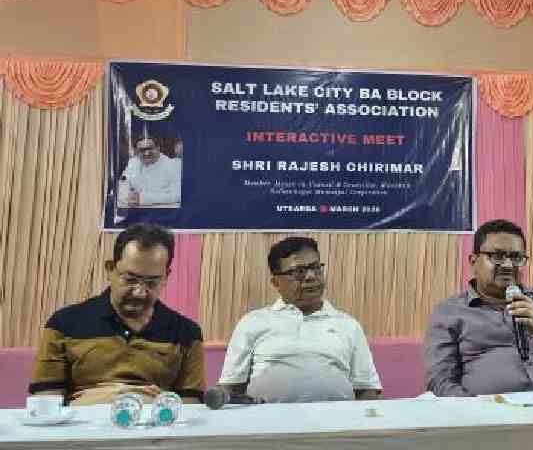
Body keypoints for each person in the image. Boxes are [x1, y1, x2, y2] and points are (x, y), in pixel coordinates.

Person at [29, 223, 205, 405]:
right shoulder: (64, 325)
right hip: (84, 430)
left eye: (152, 282)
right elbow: (45, 401)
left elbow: (190, 407)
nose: (139, 292)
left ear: (166, 277)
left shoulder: (186, 333)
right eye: (130, 279)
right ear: (110, 269)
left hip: (154, 430)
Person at [424, 219, 533, 396]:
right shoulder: (449, 312)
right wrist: (476, 411)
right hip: (492, 416)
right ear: (473, 261)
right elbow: (440, 380)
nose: (508, 265)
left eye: (516, 257)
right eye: (497, 256)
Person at [217, 237, 382, 402]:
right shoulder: (252, 322)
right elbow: (230, 387)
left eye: (316, 267)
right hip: (267, 422)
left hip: (335, 423)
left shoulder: (348, 325)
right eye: (299, 271)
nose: (311, 276)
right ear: (276, 282)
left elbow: (366, 389)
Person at [122, 137, 181, 206]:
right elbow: (123, 183)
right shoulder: (133, 163)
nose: (147, 153)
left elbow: (178, 195)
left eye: (150, 148)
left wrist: (143, 198)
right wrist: (127, 195)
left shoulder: (173, 165)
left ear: (158, 148)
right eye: (142, 150)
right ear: (136, 152)